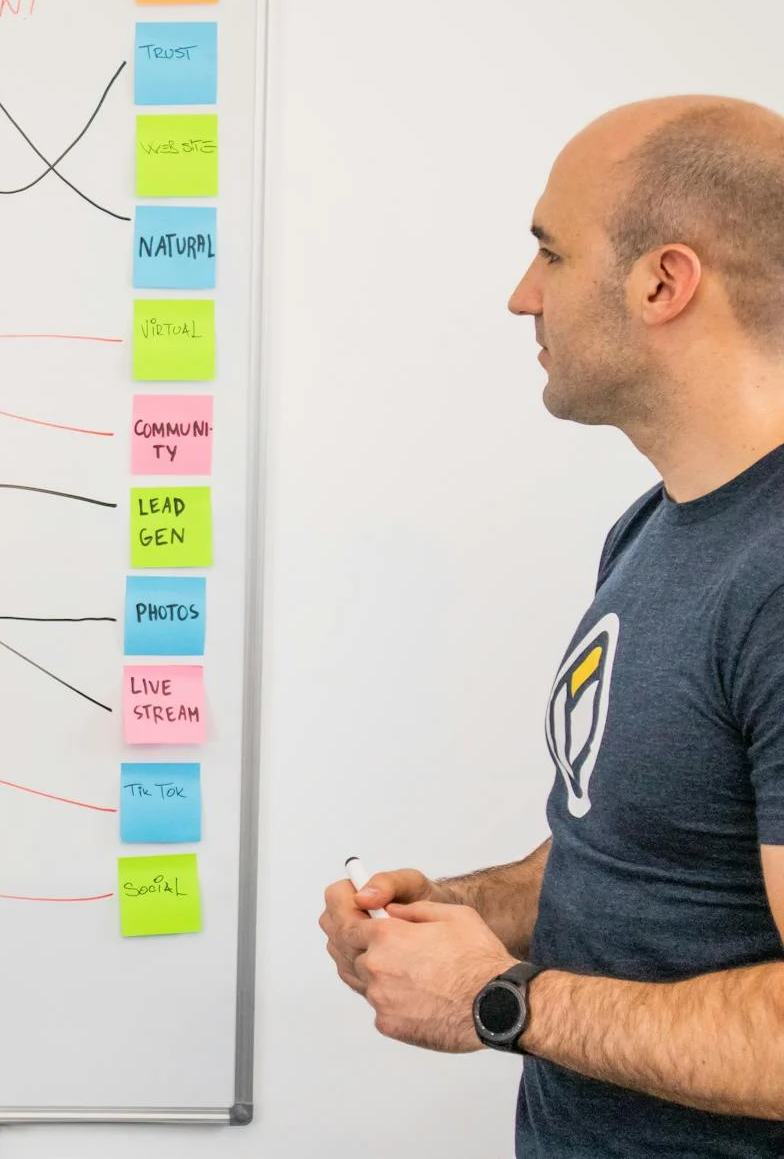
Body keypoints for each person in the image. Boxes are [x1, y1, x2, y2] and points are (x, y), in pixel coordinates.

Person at [319, 96, 784, 1156]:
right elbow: (634, 850)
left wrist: (498, 1000)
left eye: (549, 252)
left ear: (662, 282)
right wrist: (455, 904)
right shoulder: (654, 530)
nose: (520, 295)